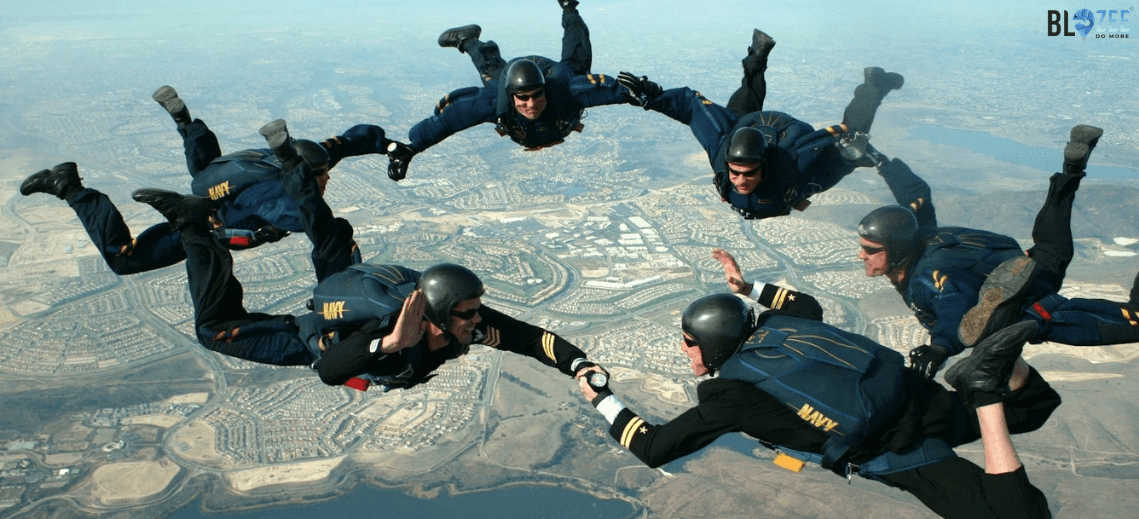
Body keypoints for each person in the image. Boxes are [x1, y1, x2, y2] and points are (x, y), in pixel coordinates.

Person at [130, 119, 605, 390]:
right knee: (214, 331)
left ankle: (290, 172)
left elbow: (530, 339)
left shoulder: (464, 322)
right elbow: (332, 371)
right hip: (317, 339)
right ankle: (194, 226)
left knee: (331, 234)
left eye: (474, 311)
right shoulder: (389, 326)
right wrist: (390, 345)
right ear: (437, 314)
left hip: (345, 303)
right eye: (467, 314)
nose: (476, 321)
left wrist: (578, 364)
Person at [580, 290, 1057, 518]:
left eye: (689, 342)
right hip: (920, 397)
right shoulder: (783, 323)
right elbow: (803, 302)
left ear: (715, 342)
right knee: (1036, 406)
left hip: (900, 452)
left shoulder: (729, 397)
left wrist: (602, 398)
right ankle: (998, 358)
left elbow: (654, 448)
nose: (684, 350)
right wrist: (747, 286)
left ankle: (986, 389)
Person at [18, 86, 395, 276]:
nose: (327, 177)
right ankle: (69, 188)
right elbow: (304, 220)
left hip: (215, 185)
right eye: (320, 176)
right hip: (201, 221)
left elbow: (346, 140)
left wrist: (387, 144)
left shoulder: (298, 157)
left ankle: (185, 122)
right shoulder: (272, 195)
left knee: (204, 170)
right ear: (297, 174)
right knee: (125, 261)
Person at [857, 124, 1139, 377]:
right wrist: (880, 160)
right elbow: (916, 194)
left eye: (870, 250)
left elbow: (953, 302)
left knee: (1131, 319)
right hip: (1032, 264)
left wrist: (941, 347)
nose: (862, 256)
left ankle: (1005, 307)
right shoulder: (918, 232)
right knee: (1050, 245)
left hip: (1031, 307)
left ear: (896, 249)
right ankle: (1071, 171)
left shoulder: (925, 278)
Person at [615, 29, 904, 220]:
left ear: (763, 167)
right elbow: (692, 107)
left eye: (748, 174)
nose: (740, 181)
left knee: (853, 140)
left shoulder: (793, 164)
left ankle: (873, 84)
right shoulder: (722, 150)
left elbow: (832, 138)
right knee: (739, 114)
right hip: (748, 126)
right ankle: (757, 55)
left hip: (789, 134)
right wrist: (651, 95)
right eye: (735, 173)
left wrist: (855, 152)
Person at [385, 0, 641, 180]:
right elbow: (448, 121)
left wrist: (640, 93)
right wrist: (412, 148)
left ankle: (568, 6)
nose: (531, 104)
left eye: (536, 96)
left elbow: (607, 90)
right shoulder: (495, 101)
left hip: (551, 75)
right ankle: (468, 39)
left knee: (577, 56)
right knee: (490, 71)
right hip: (512, 80)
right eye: (523, 98)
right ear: (512, 96)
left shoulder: (566, 91)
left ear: (545, 92)